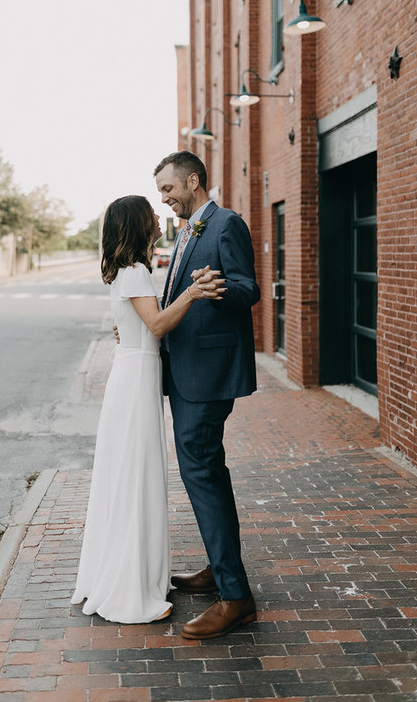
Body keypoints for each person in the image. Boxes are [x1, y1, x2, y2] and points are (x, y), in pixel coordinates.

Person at [71, 194, 225, 624]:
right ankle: (130, 585)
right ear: (137, 224)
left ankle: (133, 571)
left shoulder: (128, 271)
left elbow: (137, 326)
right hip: (136, 378)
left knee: (128, 473)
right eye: (151, 213)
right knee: (135, 474)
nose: (159, 216)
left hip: (133, 372)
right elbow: (156, 325)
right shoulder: (136, 271)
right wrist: (194, 292)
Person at [153, 150, 260, 640]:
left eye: (168, 189)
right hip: (185, 369)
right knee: (205, 474)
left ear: (192, 181)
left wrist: (220, 289)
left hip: (209, 374)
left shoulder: (226, 224)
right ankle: (220, 571)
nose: (165, 198)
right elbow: (177, 289)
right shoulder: (188, 230)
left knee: (202, 473)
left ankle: (235, 597)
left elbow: (248, 288)